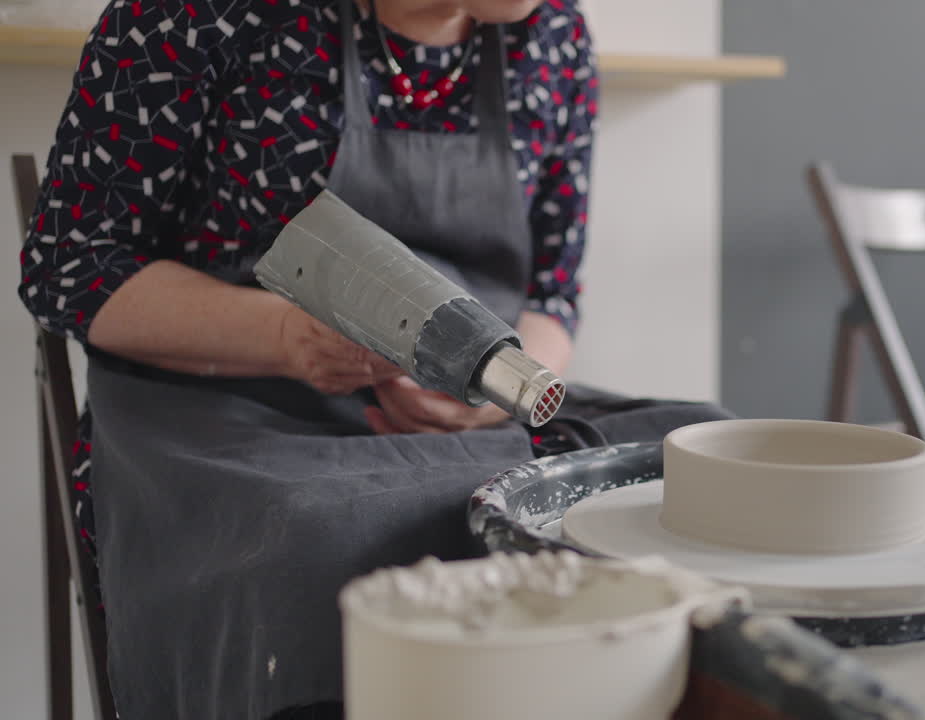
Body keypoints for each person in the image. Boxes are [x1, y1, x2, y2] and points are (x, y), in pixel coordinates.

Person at [17, 0, 729, 717]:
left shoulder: (553, 38)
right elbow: (71, 268)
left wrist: (496, 390)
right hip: (235, 424)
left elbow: (552, 296)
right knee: (319, 541)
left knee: (697, 458)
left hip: (474, 422)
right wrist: (286, 338)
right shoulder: (202, 15)